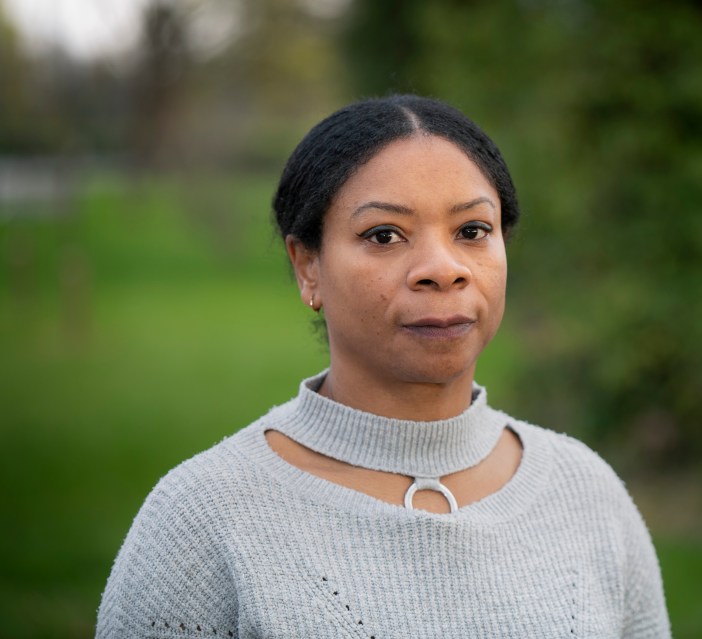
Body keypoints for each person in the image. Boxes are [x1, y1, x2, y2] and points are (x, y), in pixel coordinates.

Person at [96, 95, 671, 638]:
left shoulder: (586, 494)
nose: (442, 269)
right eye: (384, 235)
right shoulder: (204, 522)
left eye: (472, 231)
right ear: (308, 267)